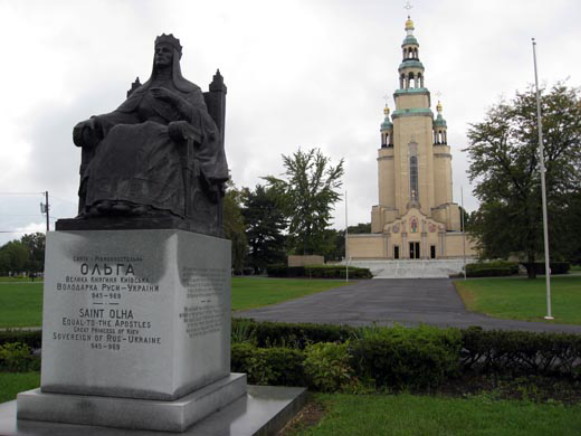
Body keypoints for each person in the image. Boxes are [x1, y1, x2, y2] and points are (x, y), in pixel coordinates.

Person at [73, 34, 228, 223]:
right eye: (157, 51)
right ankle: (104, 200)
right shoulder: (143, 91)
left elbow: (204, 122)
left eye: (165, 51)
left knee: (151, 131)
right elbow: (121, 115)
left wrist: (175, 100)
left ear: (175, 58)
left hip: (170, 136)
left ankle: (142, 201)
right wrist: (95, 121)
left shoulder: (190, 90)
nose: (160, 54)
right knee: (117, 132)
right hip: (141, 134)